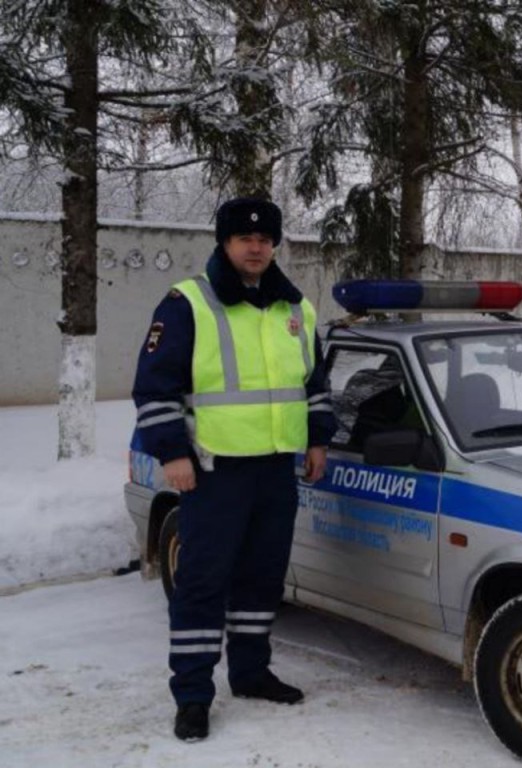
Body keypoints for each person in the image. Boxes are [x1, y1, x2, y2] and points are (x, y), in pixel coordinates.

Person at [131, 197, 337, 741]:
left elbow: (313, 386)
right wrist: (173, 452)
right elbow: (155, 387)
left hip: (276, 467)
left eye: (266, 239)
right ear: (224, 242)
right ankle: (194, 695)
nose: (256, 246)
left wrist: (317, 441)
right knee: (202, 582)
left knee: (262, 576)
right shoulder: (187, 303)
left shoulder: (295, 308)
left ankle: (250, 672)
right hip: (215, 470)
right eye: (245, 238)